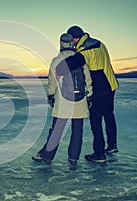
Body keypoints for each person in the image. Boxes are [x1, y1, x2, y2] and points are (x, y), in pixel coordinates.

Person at [56, 25, 119, 163]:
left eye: (72, 41)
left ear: (76, 39)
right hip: (111, 84)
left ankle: (99, 154)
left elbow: (63, 67)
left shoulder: (84, 51)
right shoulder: (99, 43)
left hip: (99, 90)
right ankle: (112, 145)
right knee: (109, 115)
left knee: (95, 122)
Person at [32, 33, 92, 165]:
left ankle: (47, 156)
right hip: (80, 100)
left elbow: (52, 81)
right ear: (71, 44)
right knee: (77, 130)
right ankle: (73, 158)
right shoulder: (80, 59)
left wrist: (50, 95)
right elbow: (88, 80)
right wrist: (90, 95)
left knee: (57, 130)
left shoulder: (56, 60)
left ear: (61, 44)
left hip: (63, 101)